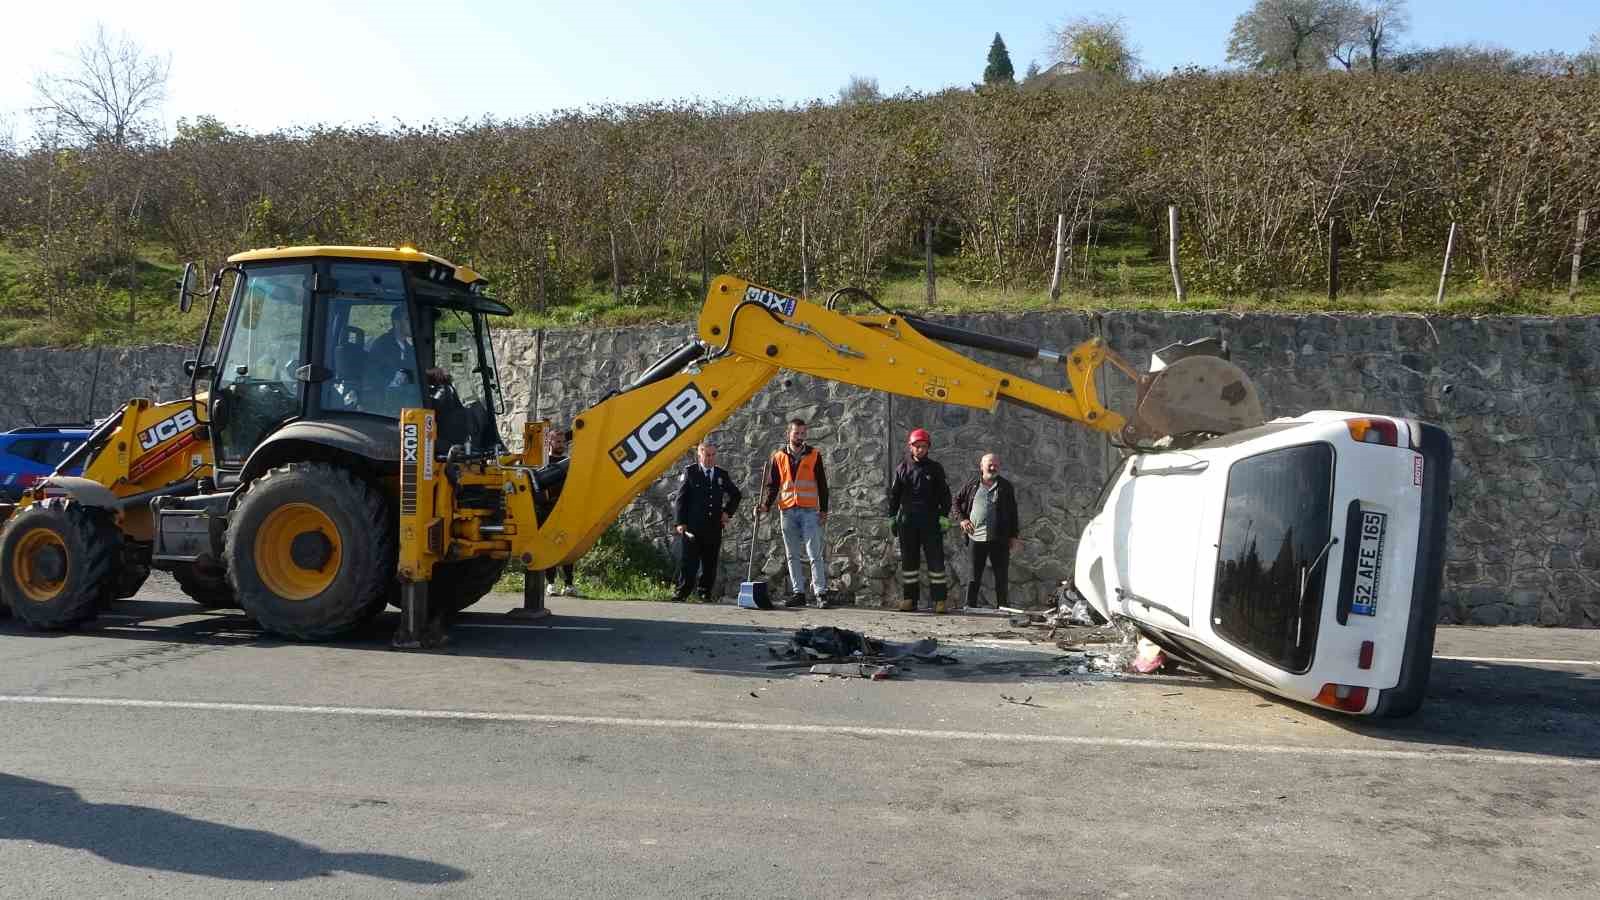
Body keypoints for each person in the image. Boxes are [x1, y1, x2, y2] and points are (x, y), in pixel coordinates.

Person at [756, 418, 831, 609]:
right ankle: (799, 593)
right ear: (788, 433)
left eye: (803, 433)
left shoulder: (814, 455)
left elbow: (822, 485)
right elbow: (773, 486)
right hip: (787, 510)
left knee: (814, 553)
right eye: (796, 433)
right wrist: (765, 505)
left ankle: (820, 593)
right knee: (792, 554)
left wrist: (823, 509)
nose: (800, 436)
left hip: (808, 511)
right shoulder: (779, 456)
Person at [886, 427, 953, 613]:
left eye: (923, 446)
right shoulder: (902, 468)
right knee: (909, 563)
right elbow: (894, 495)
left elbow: (945, 495)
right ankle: (909, 599)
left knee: (936, 562)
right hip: (908, 522)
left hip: (931, 521)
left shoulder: (935, 469)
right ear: (910, 447)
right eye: (917, 446)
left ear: (928, 448)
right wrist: (892, 517)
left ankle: (940, 601)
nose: (920, 449)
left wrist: (944, 516)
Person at [672, 440, 742, 602]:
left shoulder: (720, 474)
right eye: (707, 455)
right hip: (693, 527)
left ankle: (705, 592)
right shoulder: (690, 472)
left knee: (710, 562)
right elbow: (680, 500)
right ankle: (682, 591)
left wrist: (727, 512)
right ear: (700, 455)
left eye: (712, 455)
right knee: (689, 561)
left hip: (713, 527)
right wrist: (680, 522)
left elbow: (736, 495)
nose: (710, 459)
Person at [955, 452, 1022, 610]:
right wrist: (962, 519)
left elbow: (1013, 512)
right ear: (981, 466)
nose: (993, 467)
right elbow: (956, 501)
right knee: (973, 575)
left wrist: (1013, 536)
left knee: (1001, 576)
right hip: (975, 537)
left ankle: (1003, 607)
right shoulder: (972, 484)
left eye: (996, 465)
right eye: (989, 464)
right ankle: (969, 606)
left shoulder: (1005, 486)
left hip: (999, 538)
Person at [539, 427, 579, 597]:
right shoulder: (543, 462)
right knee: (550, 545)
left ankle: (569, 584)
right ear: (549, 441)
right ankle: (550, 584)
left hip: (565, 508)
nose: (561, 444)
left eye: (563, 441)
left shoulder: (568, 462)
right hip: (547, 509)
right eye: (557, 441)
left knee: (567, 546)